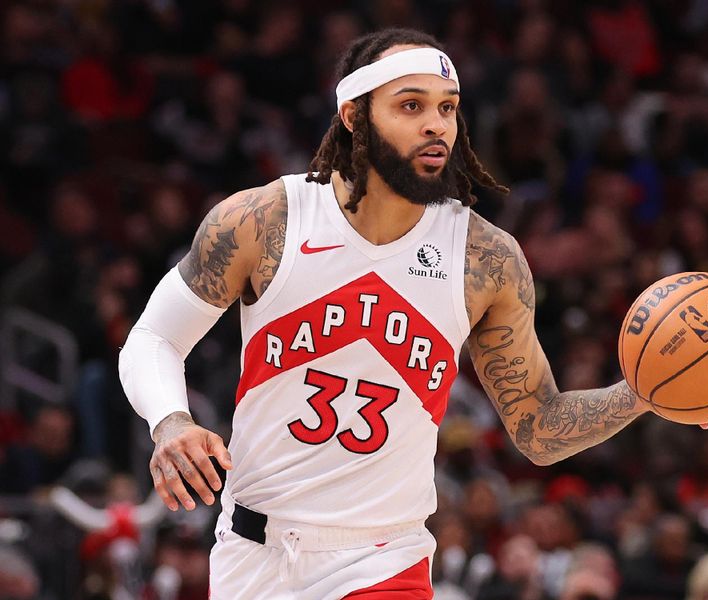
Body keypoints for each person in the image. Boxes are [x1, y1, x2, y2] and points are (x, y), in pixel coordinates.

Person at [119, 28, 654, 599]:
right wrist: (170, 422)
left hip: (384, 561)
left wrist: (644, 394)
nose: (437, 125)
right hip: (252, 554)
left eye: (447, 108)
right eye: (411, 105)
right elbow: (153, 338)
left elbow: (540, 429)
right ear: (354, 115)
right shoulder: (264, 221)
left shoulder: (484, 259)